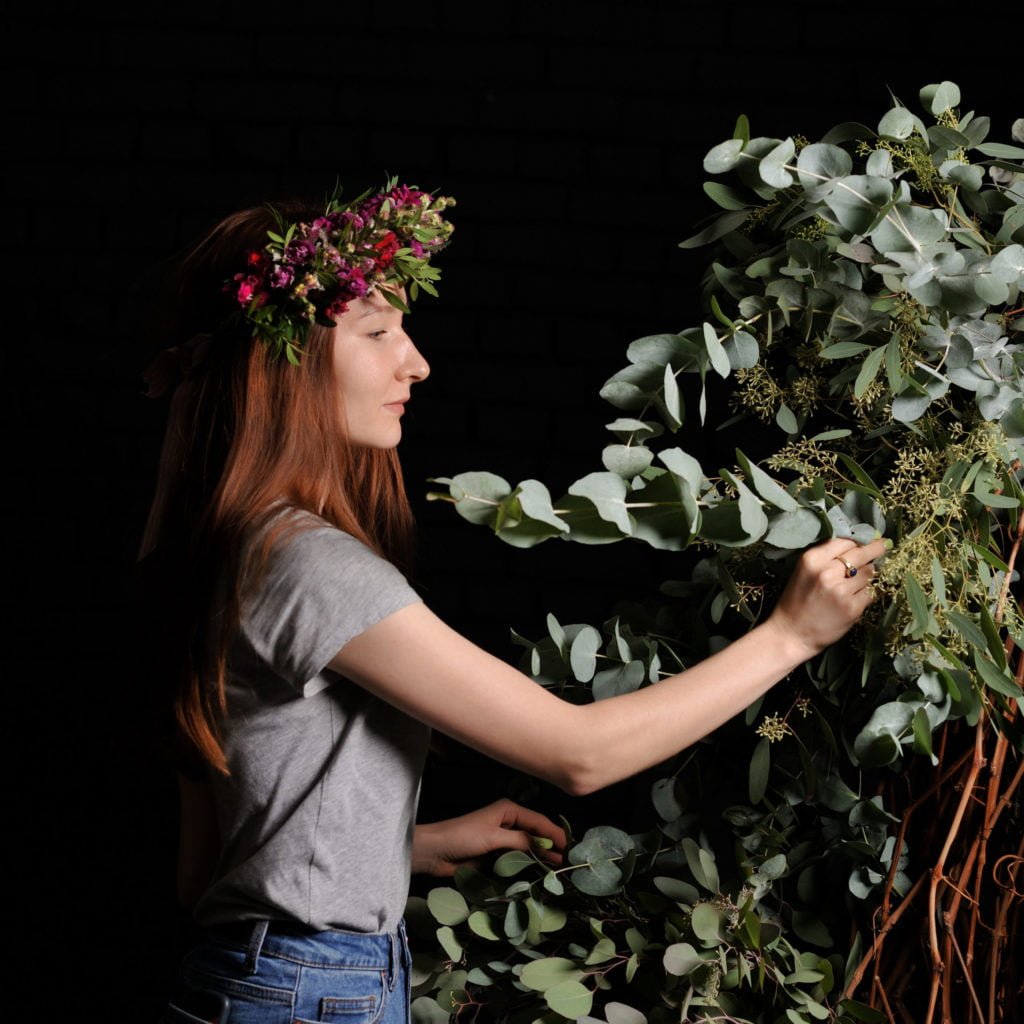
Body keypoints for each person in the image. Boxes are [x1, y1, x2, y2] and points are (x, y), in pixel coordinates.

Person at [143, 180, 885, 1024]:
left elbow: (204, 874)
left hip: (256, 981)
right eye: (377, 332)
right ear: (280, 363)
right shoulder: (310, 565)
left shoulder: (228, 545)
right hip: (313, 993)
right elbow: (578, 753)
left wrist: (406, 845)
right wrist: (790, 636)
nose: (415, 362)